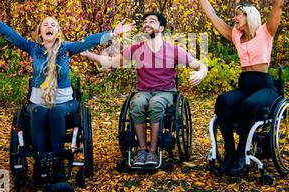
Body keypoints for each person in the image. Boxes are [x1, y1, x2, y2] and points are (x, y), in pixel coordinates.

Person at [0, 0, 135, 181]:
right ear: (40, 32)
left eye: (53, 25)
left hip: (64, 102)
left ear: (57, 31)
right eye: (46, 24)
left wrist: (112, 33)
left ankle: (58, 162)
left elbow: (87, 41)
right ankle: (40, 161)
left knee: (56, 112)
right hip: (38, 101)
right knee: (37, 111)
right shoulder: (33, 48)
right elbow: (8, 33)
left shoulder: (66, 48)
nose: (49, 27)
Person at [186, 0, 289, 175]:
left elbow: (277, 6)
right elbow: (212, 16)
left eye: (238, 15)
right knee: (223, 101)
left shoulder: (266, 32)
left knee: (249, 105)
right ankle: (230, 152)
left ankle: (241, 155)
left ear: (249, 16)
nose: (234, 18)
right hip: (245, 85)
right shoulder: (236, 36)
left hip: (265, 87)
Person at [81, 12, 207, 166]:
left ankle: (153, 152)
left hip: (165, 92)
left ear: (161, 28)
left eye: (151, 21)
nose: (147, 24)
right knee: (137, 103)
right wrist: (88, 54)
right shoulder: (135, 49)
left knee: (156, 103)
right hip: (143, 91)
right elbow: (112, 62)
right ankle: (142, 151)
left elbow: (199, 64)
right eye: (145, 21)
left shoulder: (174, 50)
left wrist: (201, 72)